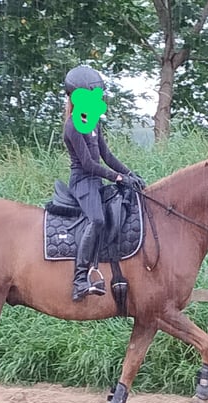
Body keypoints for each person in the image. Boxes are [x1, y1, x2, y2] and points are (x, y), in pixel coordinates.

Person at [62, 65, 145, 302]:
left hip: (97, 180)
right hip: (82, 182)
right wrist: (118, 178)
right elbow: (88, 163)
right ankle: (79, 280)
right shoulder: (73, 126)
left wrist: (130, 174)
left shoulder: (94, 121)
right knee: (97, 220)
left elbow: (106, 156)